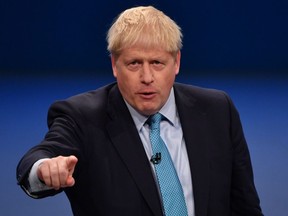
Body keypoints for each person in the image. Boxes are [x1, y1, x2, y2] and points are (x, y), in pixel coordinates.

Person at [16, 5, 264, 216]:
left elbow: (245, 206)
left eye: (157, 63)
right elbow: (38, 157)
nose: (147, 77)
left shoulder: (218, 110)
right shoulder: (82, 117)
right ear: (115, 65)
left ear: (176, 62)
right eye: (134, 63)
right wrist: (44, 169)